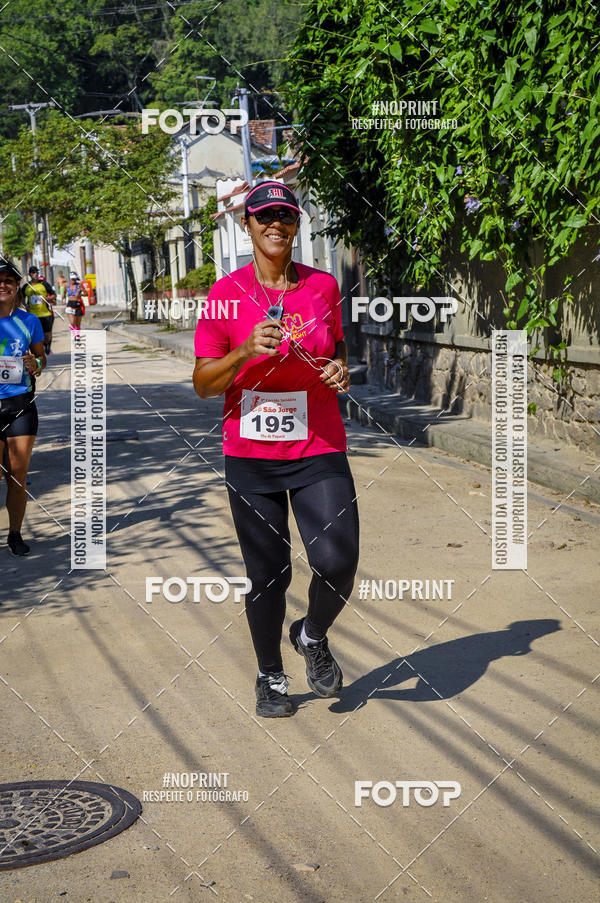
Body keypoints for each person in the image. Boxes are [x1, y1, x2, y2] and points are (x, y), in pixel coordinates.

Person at [193, 181, 359, 717]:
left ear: (296, 224)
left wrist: (340, 368)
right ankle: (270, 676)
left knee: (337, 560)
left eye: (285, 215)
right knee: (268, 573)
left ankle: (311, 635)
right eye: (264, 216)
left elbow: (335, 346)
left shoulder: (323, 286)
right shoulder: (225, 295)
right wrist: (243, 351)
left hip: (318, 442)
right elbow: (203, 383)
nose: (275, 224)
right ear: (247, 225)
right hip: (251, 453)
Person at [0, 257, 46, 555]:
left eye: (8, 281)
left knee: (17, 475)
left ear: (17, 286)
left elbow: (42, 360)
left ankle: (15, 534)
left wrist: (34, 363)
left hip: (20, 406)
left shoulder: (29, 321)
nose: (3, 285)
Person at [24, 265, 56, 355]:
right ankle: (41, 349)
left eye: (37, 272)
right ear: (30, 274)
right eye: (33, 272)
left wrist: (47, 299)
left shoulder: (44, 284)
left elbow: (54, 295)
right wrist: (25, 305)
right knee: (36, 334)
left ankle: (47, 347)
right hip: (33, 315)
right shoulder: (26, 286)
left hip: (46, 313)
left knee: (47, 334)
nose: (35, 274)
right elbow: (21, 297)